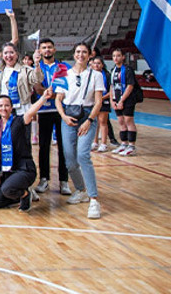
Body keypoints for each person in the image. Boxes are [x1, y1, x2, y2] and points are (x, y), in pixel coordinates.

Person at [53, 42, 104, 219]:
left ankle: (94, 199)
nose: (80, 55)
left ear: (90, 55)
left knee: (83, 155)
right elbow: (58, 100)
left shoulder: (96, 75)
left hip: (87, 116)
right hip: (68, 116)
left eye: (84, 52)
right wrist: (64, 117)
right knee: (70, 159)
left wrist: (89, 120)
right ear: (73, 54)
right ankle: (80, 189)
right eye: (78, 52)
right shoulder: (63, 74)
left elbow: (98, 101)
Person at [0, 89, 51, 211]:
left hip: (24, 169)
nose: (4, 108)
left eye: (7, 105)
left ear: (11, 107)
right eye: (1, 106)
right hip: (8, 172)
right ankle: (19, 193)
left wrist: (43, 98)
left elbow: (30, 112)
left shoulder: (19, 121)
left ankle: (25, 195)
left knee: (7, 189)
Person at [31, 38, 71, 195]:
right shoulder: (37, 67)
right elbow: (37, 88)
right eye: (44, 48)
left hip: (61, 111)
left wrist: (54, 95)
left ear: (54, 50)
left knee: (63, 147)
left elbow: (67, 89)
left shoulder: (63, 67)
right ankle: (44, 179)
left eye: (49, 47)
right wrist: (44, 93)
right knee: (44, 147)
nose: (47, 50)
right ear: (39, 51)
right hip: (44, 112)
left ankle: (64, 181)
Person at [0, 43, 38, 117]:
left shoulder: (25, 70)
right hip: (3, 111)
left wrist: (36, 63)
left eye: (11, 52)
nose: (8, 56)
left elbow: (37, 79)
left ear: (17, 55)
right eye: (6, 53)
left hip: (21, 110)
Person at [109, 48, 139, 156]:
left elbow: (130, 86)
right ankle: (124, 143)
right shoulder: (113, 70)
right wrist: (112, 100)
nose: (115, 58)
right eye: (114, 56)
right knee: (121, 122)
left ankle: (132, 146)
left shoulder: (128, 69)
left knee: (128, 121)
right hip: (117, 99)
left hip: (128, 100)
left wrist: (122, 100)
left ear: (123, 57)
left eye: (118, 56)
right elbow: (111, 86)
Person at [91, 55, 112, 153]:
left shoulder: (107, 75)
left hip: (104, 101)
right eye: (95, 63)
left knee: (102, 121)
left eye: (98, 63)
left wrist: (101, 98)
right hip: (93, 102)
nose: (96, 65)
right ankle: (94, 142)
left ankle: (103, 143)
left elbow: (110, 91)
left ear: (102, 65)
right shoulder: (90, 75)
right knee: (94, 122)